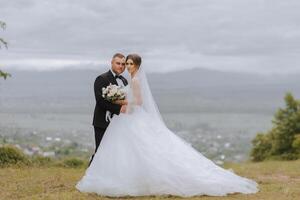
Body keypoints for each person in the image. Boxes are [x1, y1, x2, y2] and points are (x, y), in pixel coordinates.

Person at [76, 54, 259, 197]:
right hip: (115, 119)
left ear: (136, 66)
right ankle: (106, 177)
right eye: (124, 63)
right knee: (114, 151)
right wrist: (121, 103)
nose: (125, 66)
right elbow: (102, 101)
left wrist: (122, 102)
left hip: (131, 116)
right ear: (113, 63)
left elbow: (137, 101)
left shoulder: (133, 80)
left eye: (129, 64)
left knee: (140, 149)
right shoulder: (107, 79)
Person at [89, 53, 128, 166]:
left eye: (123, 64)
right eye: (118, 63)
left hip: (118, 123)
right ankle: (90, 176)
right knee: (101, 151)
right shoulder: (101, 79)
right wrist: (119, 109)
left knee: (115, 152)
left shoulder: (124, 81)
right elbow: (100, 101)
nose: (121, 66)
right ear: (111, 63)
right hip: (102, 122)